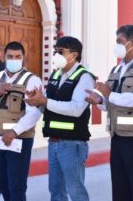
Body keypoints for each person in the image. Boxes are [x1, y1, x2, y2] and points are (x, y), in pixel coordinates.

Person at [86, 25, 133, 201]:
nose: (116, 45)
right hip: (118, 136)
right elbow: (110, 103)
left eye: (119, 41)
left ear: (132, 42)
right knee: (120, 190)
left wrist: (109, 94)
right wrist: (100, 101)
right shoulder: (117, 69)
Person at [25, 36, 95, 201]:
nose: (56, 55)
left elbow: (77, 109)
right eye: (55, 51)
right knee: (55, 191)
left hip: (72, 143)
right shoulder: (56, 75)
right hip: (54, 141)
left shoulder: (85, 77)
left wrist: (46, 101)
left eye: (61, 52)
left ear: (75, 54)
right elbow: (48, 107)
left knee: (76, 191)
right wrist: (38, 101)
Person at [0, 41, 42, 201]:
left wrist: (14, 131)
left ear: (23, 58)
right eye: (10, 56)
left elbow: (35, 113)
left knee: (16, 185)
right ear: (4, 57)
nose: (14, 59)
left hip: (19, 139)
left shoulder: (32, 80)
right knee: (1, 181)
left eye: (18, 56)